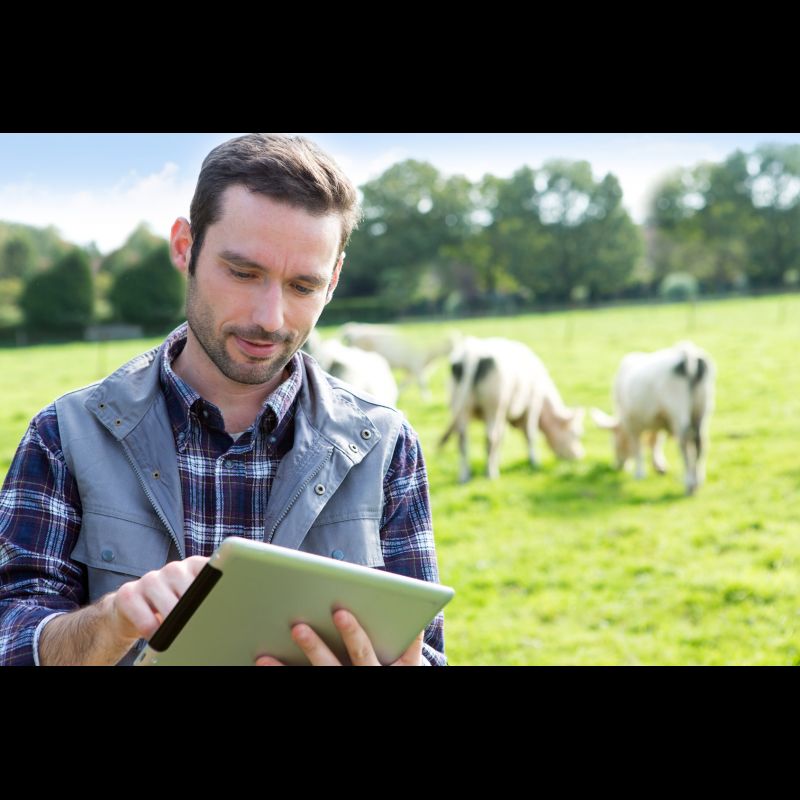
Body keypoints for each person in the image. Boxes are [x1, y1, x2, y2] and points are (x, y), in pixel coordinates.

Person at [0, 133, 446, 666]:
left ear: (335, 279)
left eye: (303, 286)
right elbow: (11, 635)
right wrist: (112, 621)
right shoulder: (63, 436)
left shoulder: (386, 447)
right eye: (243, 273)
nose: (270, 317)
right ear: (186, 246)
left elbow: (428, 652)